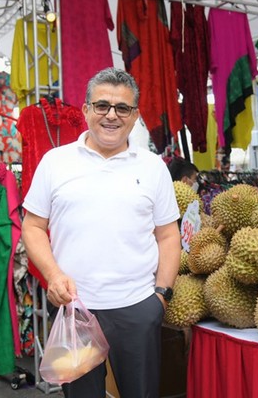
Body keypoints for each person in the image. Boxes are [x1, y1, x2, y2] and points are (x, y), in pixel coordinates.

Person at [22, 67, 181, 398]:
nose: (111, 115)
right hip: (73, 310)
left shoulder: (153, 167)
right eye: (102, 105)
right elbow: (33, 226)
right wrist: (53, 275)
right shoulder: (55, 162)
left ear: (134, 116)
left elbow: (168, 235)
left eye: (122, 108)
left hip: (137, 307)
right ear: (86, 110)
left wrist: (161, 297)